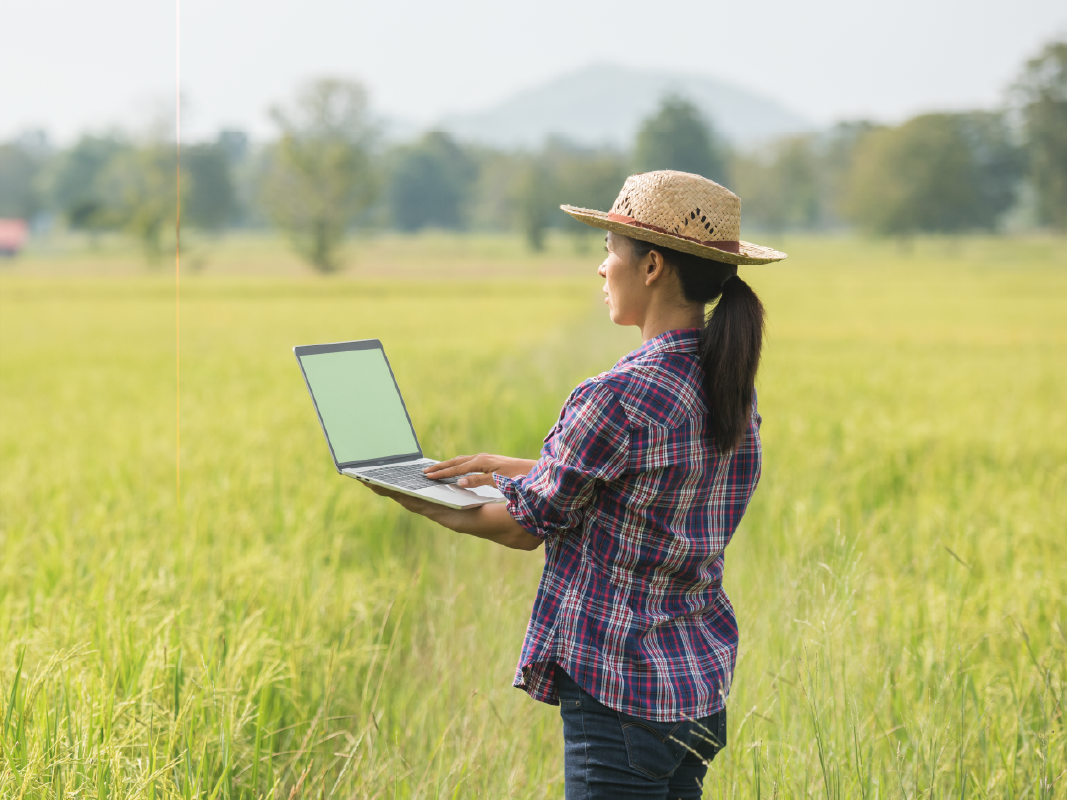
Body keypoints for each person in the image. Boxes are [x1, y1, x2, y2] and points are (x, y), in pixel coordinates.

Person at [364, 170, 787, 799]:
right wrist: (507, 467)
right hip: (693, 689)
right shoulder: (728, 386)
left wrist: (414, 495)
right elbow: (641, 493)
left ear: (651, 267)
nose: (600, 267)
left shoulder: (618, 394)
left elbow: (522, 529)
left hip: (621, 695)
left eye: (610, 250)